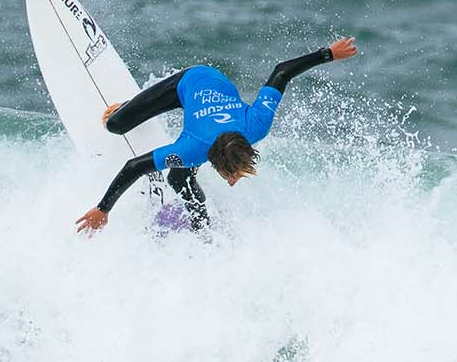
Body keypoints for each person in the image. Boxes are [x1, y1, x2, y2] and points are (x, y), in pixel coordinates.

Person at [75, 36, 359, 234]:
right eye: (230, 175)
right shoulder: (189, 149)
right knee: (115, 125)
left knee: (178, 177)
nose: (233, 181)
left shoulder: (256, 124)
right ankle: (129, 105)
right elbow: (134, 166)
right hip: (190, 81)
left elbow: (281, 72)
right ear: (212, 160)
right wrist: (103, 210)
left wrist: (330, 54)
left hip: (217, 87)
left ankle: (202, 232)